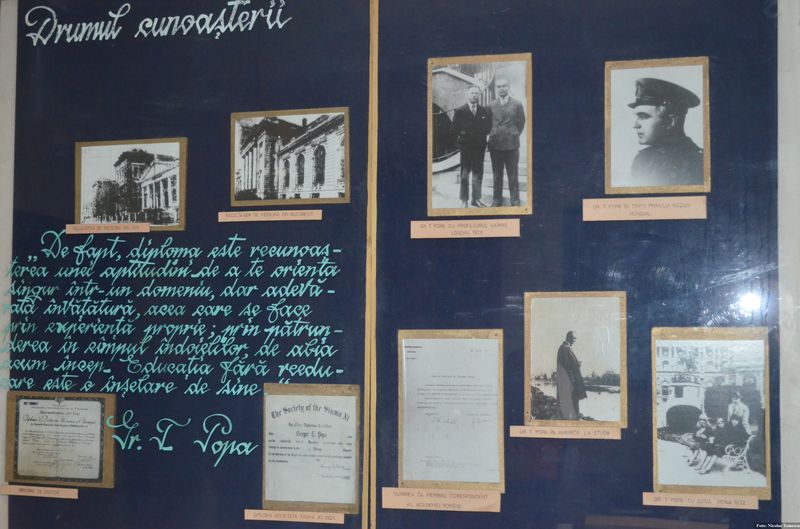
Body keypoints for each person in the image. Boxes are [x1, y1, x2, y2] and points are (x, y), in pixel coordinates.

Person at [629, 77, 704, 186]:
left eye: (644, 116)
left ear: (670, 121)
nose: (636, 125)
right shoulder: (642, 160)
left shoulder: (699, 161)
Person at [451, 85, 492, 208]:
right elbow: (453, 130)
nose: (474, 95)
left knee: (478, 174)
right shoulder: (460, 110)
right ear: (467, 94)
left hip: (479, 147)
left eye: (476, 93)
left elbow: (488, 128)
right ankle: (464, 200)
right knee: (464, 175)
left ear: (479, 95)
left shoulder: (484, 111)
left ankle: (476, 199)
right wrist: (460, 143)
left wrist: (482, 138)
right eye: (472, 93)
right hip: (466, 148)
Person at [488, 77, 526, 207]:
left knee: (513, 175)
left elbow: (521, 123)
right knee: (497, 175)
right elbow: (488, 124)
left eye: (504, 86)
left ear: (508, 87)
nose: (501, 89)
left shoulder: (517, 104)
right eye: (499, 87)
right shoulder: (491, 105)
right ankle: (496, 201)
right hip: (495, 145)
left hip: (512, 145)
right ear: (496, 88)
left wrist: (513, 133)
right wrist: (494, 134)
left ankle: (515, 201)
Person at [556, 331, 586, 420]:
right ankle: (574, 419)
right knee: (572, 399)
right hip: (569, 380)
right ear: (568, 337)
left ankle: (572, 417)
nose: (575, 340)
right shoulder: (565, 348)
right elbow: (566, 366)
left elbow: (567, 363)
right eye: (574, 338)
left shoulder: (564, 347)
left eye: (575, 338)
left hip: (568, 380)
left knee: (570, 400)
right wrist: (576, 365)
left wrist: (576, 364)